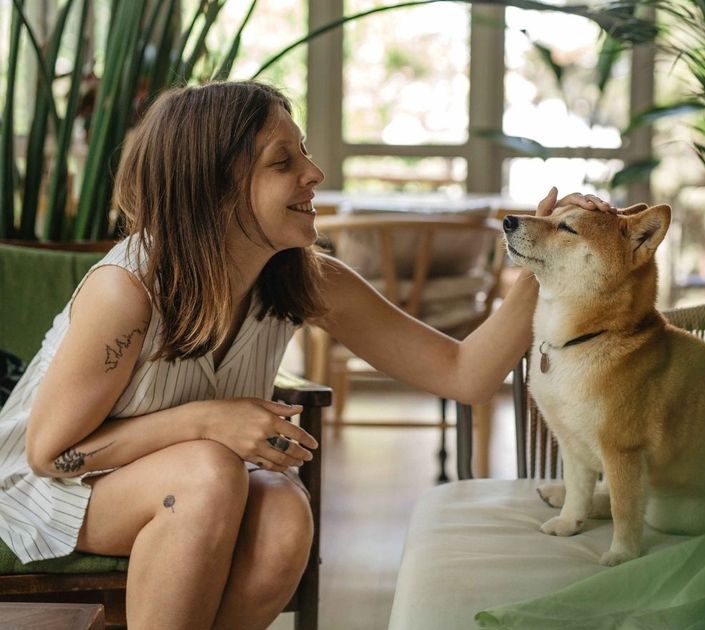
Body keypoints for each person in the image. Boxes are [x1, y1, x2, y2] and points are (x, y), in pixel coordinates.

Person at [0, 81, 613, 629]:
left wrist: (542, 259)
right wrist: (207, 421)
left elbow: (464, 374)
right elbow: (50, 455)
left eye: (305, 153)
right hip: (45, 488)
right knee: (208, 473)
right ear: (215, 187)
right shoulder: (128, 290)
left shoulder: (304, 280)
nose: (314, 173)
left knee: (284, 514)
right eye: (283, 162)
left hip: (192, 480)